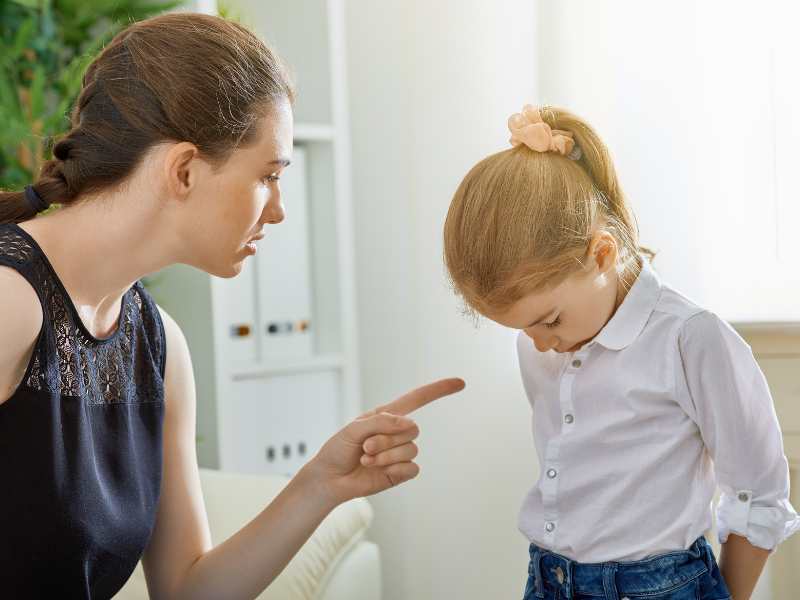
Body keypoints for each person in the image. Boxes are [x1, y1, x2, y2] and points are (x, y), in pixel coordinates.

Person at [0, 13, 464, 599]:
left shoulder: (158, 347)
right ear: (185, 169)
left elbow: (187, 590)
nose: (278, 210)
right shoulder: (10, 301)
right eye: (268, 176)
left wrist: (320, 483)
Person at [443, 104, 799, 600]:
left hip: (659, 587)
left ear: (603, 255)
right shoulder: (544, 348)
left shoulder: (690, 339)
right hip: (548, 579)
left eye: (548, 321)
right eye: (522, 330)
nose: (540, 343)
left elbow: (758, 493)